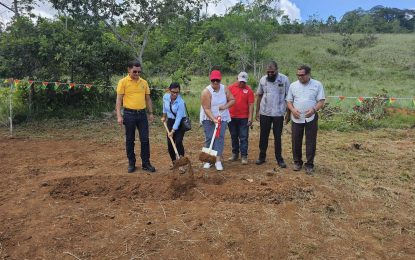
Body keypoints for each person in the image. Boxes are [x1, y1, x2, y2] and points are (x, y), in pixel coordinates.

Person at [116, 60, 156, 173]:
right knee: (130, 140)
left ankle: (146, 163)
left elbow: (148, 98)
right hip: (129, 115)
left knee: (145, 139)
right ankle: (131, 163)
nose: (137, 74)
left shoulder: (144, 83)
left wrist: (151, 113)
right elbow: (119, 100)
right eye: (135, 72)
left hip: (142, 114)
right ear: (128, 70)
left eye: (139, 72)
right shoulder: (122, 82)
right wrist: (119, 116)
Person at [286, 65, 325, 175]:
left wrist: (313, 110)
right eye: (298, 75)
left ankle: (309, 164)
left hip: (311, 118)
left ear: (308, 74)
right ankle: (297, 162)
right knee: (296, 140)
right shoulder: (293, 85)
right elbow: (289, 101)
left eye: (302, 75)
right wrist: (293, 110)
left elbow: (321, 101)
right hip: (296, 117)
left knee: (311, 141)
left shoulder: (317, 84)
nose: (300, 77)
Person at [255, 61, 290, 168]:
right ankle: (262, 157)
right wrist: (257, 111)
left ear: (277, 70)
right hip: (265, 112)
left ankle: (279, 159)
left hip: (279, 113)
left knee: (277, 137)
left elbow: (289, 98)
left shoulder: (284, 80)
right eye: (268, 71)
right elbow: (259, 96)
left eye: (272, 72)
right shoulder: (263, 79)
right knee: (263, 136)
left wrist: (288, 114)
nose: (270, 73)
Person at [200, 70, 235, 171]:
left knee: (219, 137)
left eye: (217, 80)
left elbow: (232, 100)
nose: (215, 82)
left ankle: (218, 160)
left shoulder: (225, 89)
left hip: (222, 116)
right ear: (210, 80)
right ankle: (209, 160)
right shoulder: (206, 92)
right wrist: (213, 119)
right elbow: (206, 108)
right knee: (210, 137)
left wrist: (225, 106)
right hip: (208, 117)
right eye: (213, 80)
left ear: (220, 80)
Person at [227, 72, 255, 165]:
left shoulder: (249, 90)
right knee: (234, 136)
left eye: (244, 82)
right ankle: (235, 154)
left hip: (244, 118)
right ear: (237, 79)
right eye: (240, 81)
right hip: (231, 117)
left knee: (243, 137)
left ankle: (244, 156)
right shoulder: (230, 88)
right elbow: (226, 100)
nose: (242, 83)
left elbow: (251, 104)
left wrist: (250, 118)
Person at [161, 82, 187, 165]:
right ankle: (174, 162)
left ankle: (182, 162)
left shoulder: (181, 102)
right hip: (170, 122)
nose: (175, 94)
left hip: (180, 123)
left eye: (177, 92)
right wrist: (164, 116)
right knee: (170, 144)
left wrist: (173, 131)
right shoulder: (165, 97)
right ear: (169, 90)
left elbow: (179, 118)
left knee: (178, 142)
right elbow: (164, 107)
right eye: (173, 92)